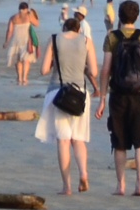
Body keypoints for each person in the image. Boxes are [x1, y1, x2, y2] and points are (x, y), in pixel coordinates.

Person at [36, 10, 98, 194]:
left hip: (59, 93)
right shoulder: (86, 41)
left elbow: (43, 70)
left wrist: (57, 62)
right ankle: (84, 173)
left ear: (64, 28)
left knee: (63, 141)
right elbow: (93, 71)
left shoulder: (54, 39)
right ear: (79, 29)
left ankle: (67, 186)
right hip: (80, 94)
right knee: (78, 139)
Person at [105, 1, 140, 196]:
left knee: (119, 142)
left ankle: (121, 185)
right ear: (137, 16)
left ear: (119, 16)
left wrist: (101, 98)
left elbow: (106, 70)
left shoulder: (112, 37)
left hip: (118, 96)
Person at [6, 0, 42, 84]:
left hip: (16, 40)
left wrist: (6, 41)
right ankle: (25, 78)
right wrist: (34, 15)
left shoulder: (13, 17)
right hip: (26, 40)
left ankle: (19, 77)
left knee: (18, 60)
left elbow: (10, 31)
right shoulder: (28, 16)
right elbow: (37, 24)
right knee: (26, 60)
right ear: (26, 9)